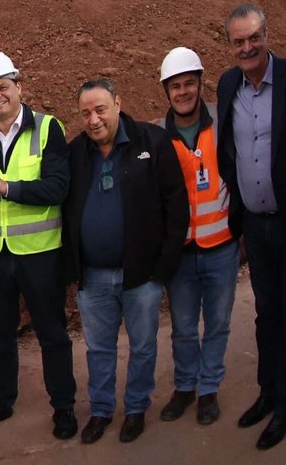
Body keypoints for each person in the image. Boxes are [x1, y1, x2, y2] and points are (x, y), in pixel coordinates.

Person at [217, 3, 286, 450]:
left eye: (254, 38)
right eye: (239, 41)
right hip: (256, 227)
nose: (247, 47)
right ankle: (267, 391)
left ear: (268, 34)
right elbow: (228, 147)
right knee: (267, 314)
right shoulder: (228, 84)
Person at [0, 52, 77, 440]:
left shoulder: (47, 130)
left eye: (2, 87)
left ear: (18, 87)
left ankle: (64, 406)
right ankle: (1, 401)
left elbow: (58, 188)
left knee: (52, 332)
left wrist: (5, 187)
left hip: (40, 253)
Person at [63, 78, 188, 445]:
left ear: (118, 103)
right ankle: (101, 410)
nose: (93, 119)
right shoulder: (76, 153)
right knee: (99, 348)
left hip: (142, 276)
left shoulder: (152, 141)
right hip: (94, 276)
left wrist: (162, 269)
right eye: (85, 113)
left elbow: (176, 206)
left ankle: (135, 408)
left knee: (143, 344)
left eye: (100, 109)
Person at [155, 46, 237, 427]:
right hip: (182, 253)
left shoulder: (223, 121)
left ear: (200, 84)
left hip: (222, 246)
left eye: (189, 83)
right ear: (166, 91)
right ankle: (185, 387)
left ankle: (209, 389)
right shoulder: (156, 136)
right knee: (185, 327)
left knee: (217, 322)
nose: (183, 91)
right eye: (175, 86)